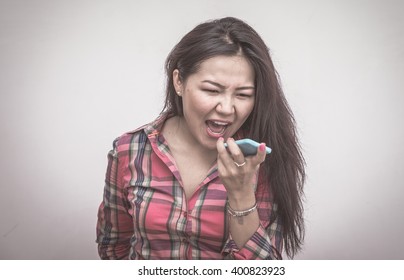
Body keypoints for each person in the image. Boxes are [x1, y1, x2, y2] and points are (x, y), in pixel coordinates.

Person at [96, 17, 305, 260]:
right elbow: (114, 249)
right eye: (212, 90)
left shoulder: (261, 161)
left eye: (243, 94)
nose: (227, 108)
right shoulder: (129, 150)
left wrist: (240, 195)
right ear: (179, 82)